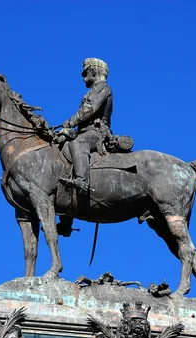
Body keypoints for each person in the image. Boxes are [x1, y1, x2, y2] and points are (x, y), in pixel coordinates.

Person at [55, 58, 113, 237]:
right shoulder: (96, 88)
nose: (84, 78)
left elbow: (89, 109)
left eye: (85, 73)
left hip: (96, 133)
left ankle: (83, 181)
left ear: (93, 71)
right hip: (84, 131)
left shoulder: (102, 87)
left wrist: (70, 122)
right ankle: (65, 219)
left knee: (77, 143)